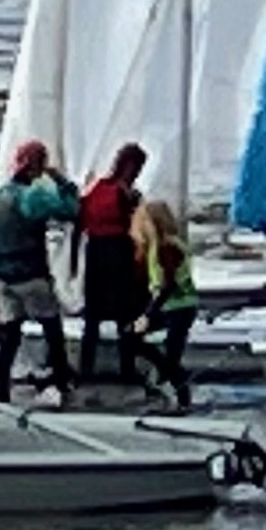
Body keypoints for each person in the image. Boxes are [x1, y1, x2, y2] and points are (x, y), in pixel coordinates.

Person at [0, 141, 80, 402]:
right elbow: (71, 211)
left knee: (10, 337)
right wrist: (62, 183)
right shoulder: (33, 196)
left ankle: (0, 388)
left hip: (2, 278)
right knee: (52, 331)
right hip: (31, 274)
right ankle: (61, 381)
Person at [76, 144, 151, 390]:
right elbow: (136, 229)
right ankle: (127, 370)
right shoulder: (128, 194)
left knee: (93, 317)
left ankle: (85, 370)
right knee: (126, 315)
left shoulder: (97, 187)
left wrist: (74, 262)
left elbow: (80, 220)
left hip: (95, 251)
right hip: (118, 252)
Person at [134, 196, 200, 411]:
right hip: (171, 306)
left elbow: (167, 285)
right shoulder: (155, 246)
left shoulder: (167, 247)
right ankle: (166, 379)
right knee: (132, 339)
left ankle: (182, 398)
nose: (140, 225)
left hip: (180, 307)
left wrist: (147, 315)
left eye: (144, 221)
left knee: (172, 356)